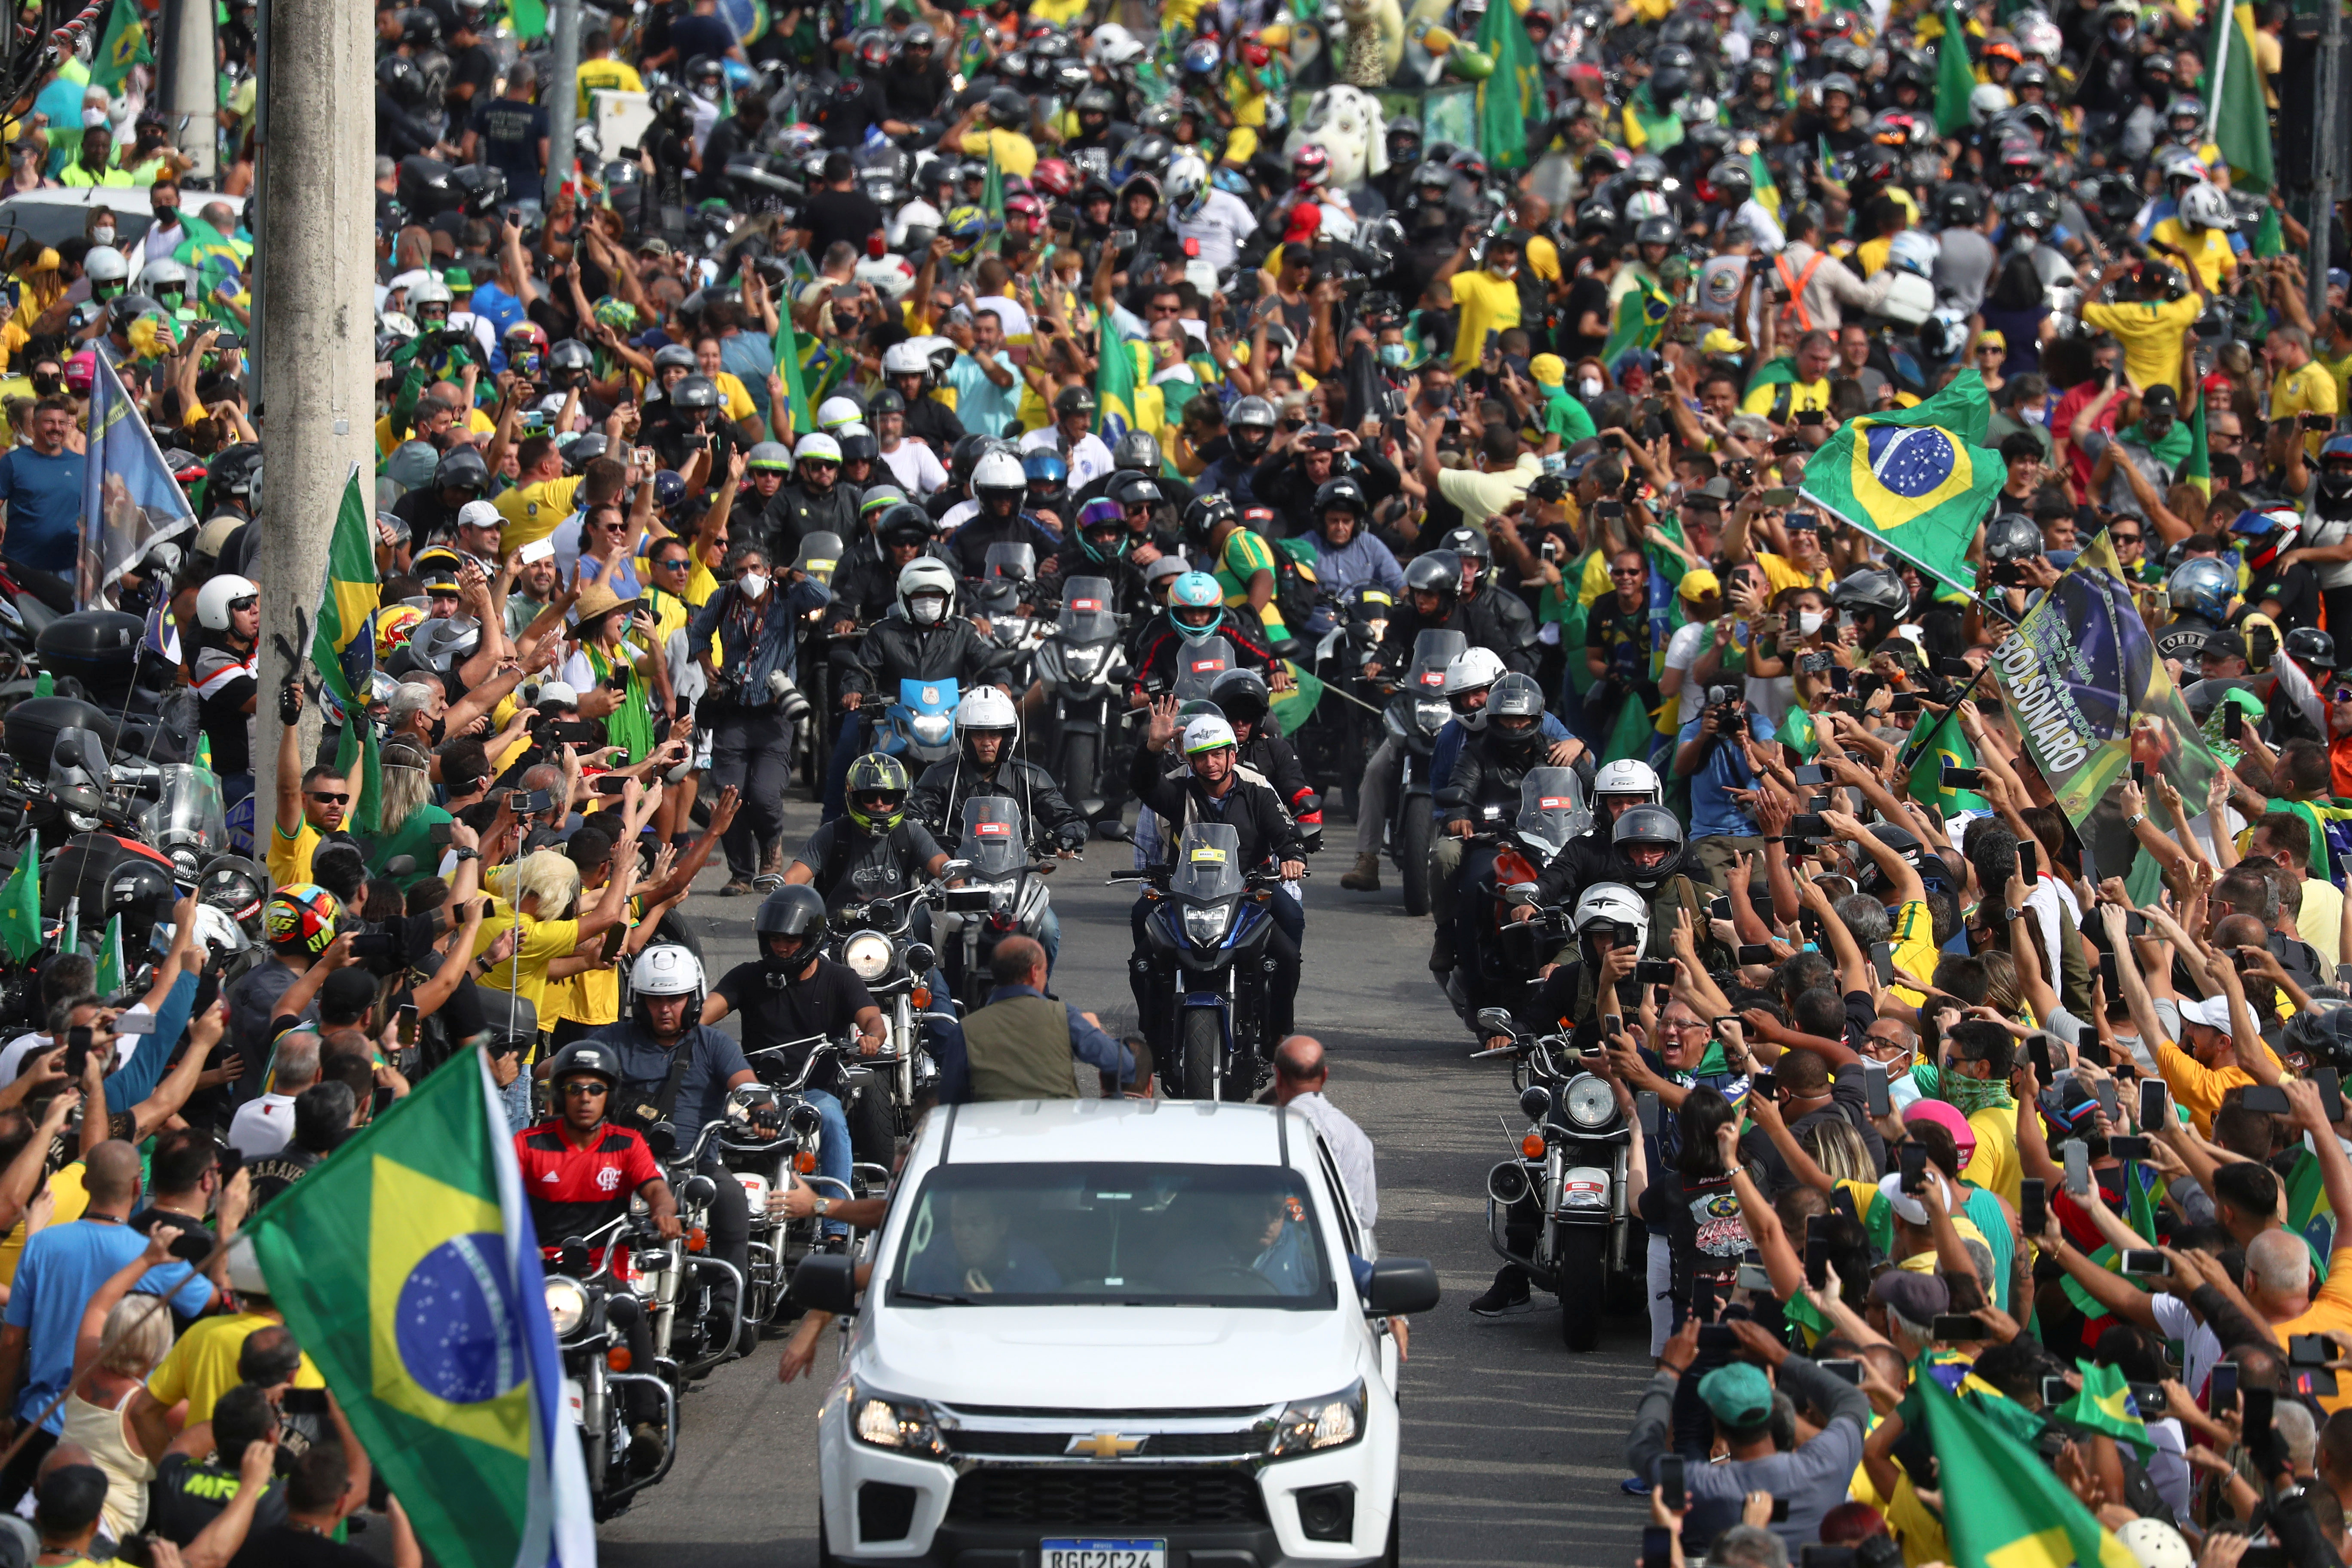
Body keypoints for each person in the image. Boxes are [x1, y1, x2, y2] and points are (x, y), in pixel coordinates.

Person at [0, 1143, 215, 1505]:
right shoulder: (153, 1257)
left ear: (85, 1182)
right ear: (138, 1186)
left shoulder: (42, 1246)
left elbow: (12, 1340)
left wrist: (4, 1412)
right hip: (116, 1431)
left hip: (40, 1421)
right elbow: (215, 1302)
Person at [583, 946, 761, 1353]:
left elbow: (747, 1085)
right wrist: (556, 1069)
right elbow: (563, 1067)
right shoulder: (613, 1041)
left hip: (692, 1164)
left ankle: (727, 1303)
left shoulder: (713, 1044)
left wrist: (762, 1110)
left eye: (675, 999)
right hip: (620, 1166)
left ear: (694, 998)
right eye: (655, 999)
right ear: (638, 1001)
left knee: (731, 1195)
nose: (665, 1009)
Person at [511, 1041, 675, 1464]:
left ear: (610, 1095)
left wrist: (662, 1211)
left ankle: (645, 1422)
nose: (585, 1098)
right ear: (559, 1095)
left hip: (603, 1273)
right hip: (537, 1276)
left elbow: (655, 1187)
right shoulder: (527, 1145)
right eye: (575, 1089)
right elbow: (494, 1194)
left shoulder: (626, 1144)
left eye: (595, 1089)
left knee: (631, 1312)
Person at [1126, 707, 1308, 1069]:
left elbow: (1286, 832)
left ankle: (1277, 1032)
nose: (1210, 764)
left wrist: (1292, 857)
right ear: (1190, 761)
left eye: (1216, 754)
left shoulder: (1257, 788)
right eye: (1201, 757)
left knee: (1287, 944)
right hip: (1186, 892)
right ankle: (1155, 1029)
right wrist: (1151, 748)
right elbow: (1143, 786)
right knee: (1143, 942)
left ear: (1231, 754)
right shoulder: (1177, 790)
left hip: (1248, 892)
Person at [702, 885, 887, 1188]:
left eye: (791, 940)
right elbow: (707, 1011)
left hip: (812, 1091)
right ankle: (704, 1205)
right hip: (753, 1091)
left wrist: (872, 1037)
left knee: (831, 1119)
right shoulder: (748, 976)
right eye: (775, 939)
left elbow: (872, 1018)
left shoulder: (839, 979)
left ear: (811, 939)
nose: (781, 948)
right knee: (707, 1118)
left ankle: (835, 1227)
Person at [907, 687, 1090, 967]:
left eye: (994, 734)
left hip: (1013, 883)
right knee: (919, 925)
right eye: (978, 735)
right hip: (953, 882)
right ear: (964, 736)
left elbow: (1067, 818)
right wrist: (924, 838)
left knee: (1049, 931)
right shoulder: (940, 775)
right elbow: (913, 818)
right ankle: (925, 1000)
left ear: (1008, 737)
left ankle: (1036, 1000)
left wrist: (1067, 837)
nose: (986, 742)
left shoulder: (1029, 776)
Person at [928, 937, 1139, 1102]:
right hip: (1053, 1142)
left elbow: (952, 1099)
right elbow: (1124, 1064)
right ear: (1034, 972)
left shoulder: (965, 1031)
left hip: (993, 1145)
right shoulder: (1064, 1017)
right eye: (1045, 972)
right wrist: (1097, 1031)